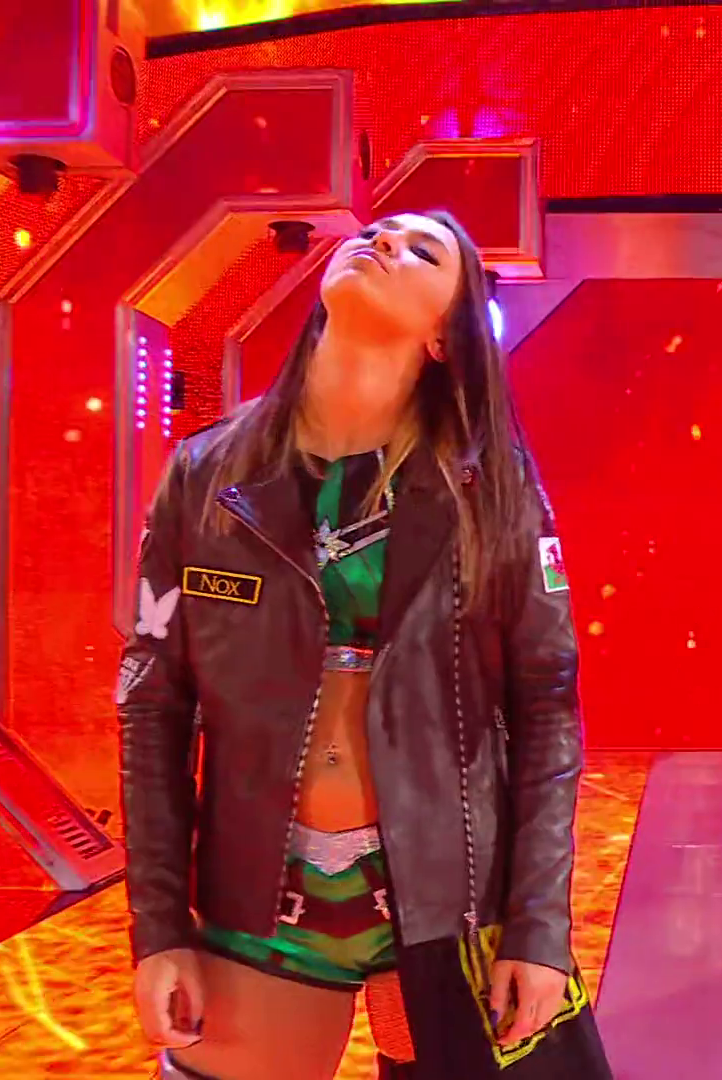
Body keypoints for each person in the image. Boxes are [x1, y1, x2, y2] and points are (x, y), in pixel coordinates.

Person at [118, 212, 611, 1080]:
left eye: (423, 252)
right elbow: (154, 709)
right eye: (379, 231)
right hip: (259, 915)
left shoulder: (490, 490)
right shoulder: (204, 475)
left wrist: (539, 926)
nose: (385, 243)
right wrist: (157, 928)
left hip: (449, 910)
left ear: (443, 338)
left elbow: (547, 708)